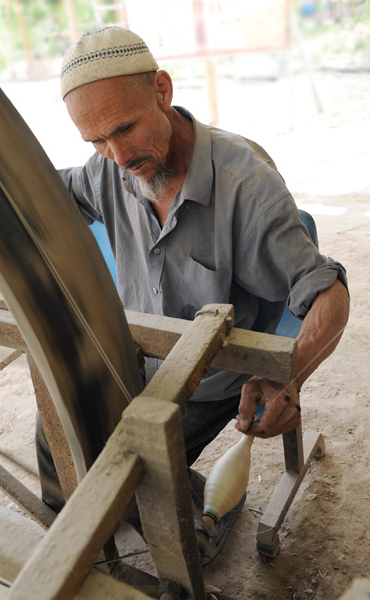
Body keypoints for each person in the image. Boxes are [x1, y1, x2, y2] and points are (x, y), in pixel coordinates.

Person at [36, 26, 349, 521]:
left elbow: (329, 294)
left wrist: (290, 375)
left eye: (124, 129)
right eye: (96, 140)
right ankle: (75, 533)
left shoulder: (246, 187)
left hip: (210, 380)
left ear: (162, 90)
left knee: (134, 473)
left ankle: (188, 533)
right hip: (133, 355)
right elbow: (37, 192)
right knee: (57, 423)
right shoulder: (108, 171)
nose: (117, 156)